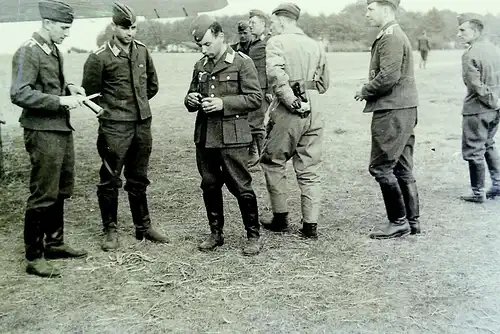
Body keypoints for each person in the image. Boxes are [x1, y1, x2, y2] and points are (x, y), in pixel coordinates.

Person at [81, 2, 168, 251]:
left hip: (141, 124)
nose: (130, 33)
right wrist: (114, 114)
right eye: (125, 28)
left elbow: (152, 86)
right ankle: (110, 230)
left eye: (134, 28)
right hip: (114, 128)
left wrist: (135, 109)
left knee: (138, 177)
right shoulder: (99, 57)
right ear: (113, 27)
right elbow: (91, 95)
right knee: (110, 179)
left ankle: (143, 226)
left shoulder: (142, 51)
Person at [10, 0, 88, 277]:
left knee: (61, 189)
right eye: (64, 28)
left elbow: (50, 83)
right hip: (42, 131)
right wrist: (60, 100)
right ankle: (34, 256)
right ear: (48, 23)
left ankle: (54, 243)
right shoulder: (28, 52)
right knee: (43, 192)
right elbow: (19, 93)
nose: (67, 33)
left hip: (59, 129)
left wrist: (69, 88)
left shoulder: (53, 50)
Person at [184, 14, 263, 255]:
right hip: (206, 136)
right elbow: (191, 96)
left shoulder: (241, 62)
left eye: (207, 44)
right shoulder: (200, 65)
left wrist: (223, 103)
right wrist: (190, 100)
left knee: (241, 185)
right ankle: (216, 233)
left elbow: (255, 98)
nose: (204, 49)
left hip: (233, 136)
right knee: (209, 185)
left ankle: (253, 236)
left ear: (220, 37)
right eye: (200, 46)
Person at [260, 3, 330, 239]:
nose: (271, 27)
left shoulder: (276, 42)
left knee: (273, 161)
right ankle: (310, 226)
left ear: (281, 20)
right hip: (315, 107)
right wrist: (307, 98)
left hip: (290, 109)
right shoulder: (315, 45)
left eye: (272, 22)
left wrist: (293, 102)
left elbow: (278, 78)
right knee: (310, 168)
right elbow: (324, 83)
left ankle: (280, 218)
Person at [354, 0, 420, 239]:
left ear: (386, 8)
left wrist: (365, 90)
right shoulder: (393, 33)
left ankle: (398, 221)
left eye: (370, 8)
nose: (366, 13)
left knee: (380, 167)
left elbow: (388, 77)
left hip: (392, 110)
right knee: (401, 165)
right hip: (404, 108)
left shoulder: (390, 36)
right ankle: (412, 221)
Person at [456, 13, 500, 203]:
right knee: (488, 144)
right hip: (495, 108)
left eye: (463, 30)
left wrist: (491, 100)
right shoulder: (494, 50)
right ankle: (497, 185)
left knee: (474, 150)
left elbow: (474, 85)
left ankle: (477, 193)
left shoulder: (470, 54)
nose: (459, 34)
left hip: (478, 108)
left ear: (475, 31)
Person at [247, 9, 273, 169]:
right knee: (253, 122)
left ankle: (263, 156)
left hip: (262, 89)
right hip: (254, 87)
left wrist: (270, 89)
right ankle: (256, 155)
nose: (250, 26)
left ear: (263, 24)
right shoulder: (255, 41)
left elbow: (272, 67)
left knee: (258, 124)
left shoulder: (269, 42)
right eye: (249, 23)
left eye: (253, 23)